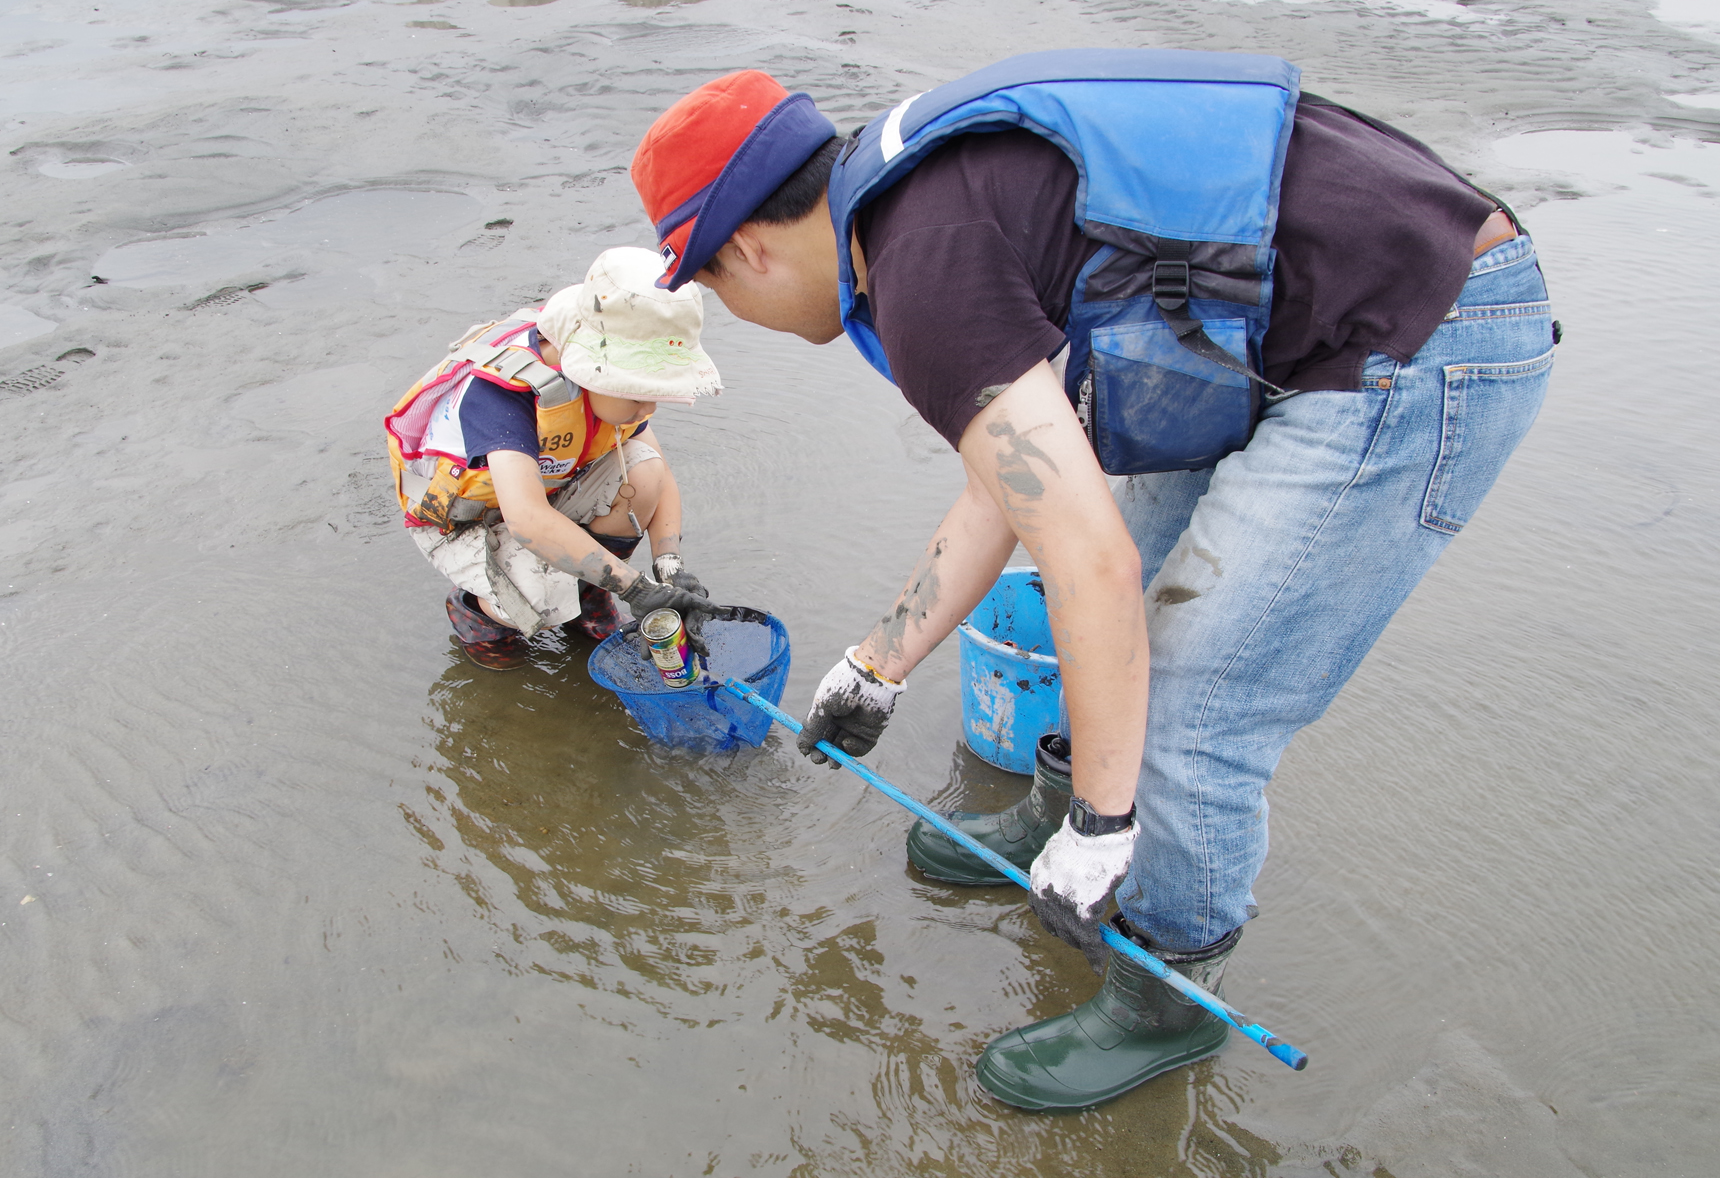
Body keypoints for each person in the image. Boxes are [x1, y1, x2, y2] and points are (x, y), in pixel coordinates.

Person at [629, 55, 1554, 1108]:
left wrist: (1111, 827)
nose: (730, 305)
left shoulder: (922, 267)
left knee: (1195, 696)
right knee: (1125, 617)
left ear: (744, 248)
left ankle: (1170, 998)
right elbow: (1010, 487)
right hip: (1274, 323)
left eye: (707, 284)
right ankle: (1059, 811)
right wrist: (876, 665)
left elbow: (1091, 563)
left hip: (1420, 330)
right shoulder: (905, 209)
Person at [387, 246, 723, 671]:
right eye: (640, 394)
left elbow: (660, 471)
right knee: (539, 597)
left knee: (643, 471)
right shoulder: (500, 395)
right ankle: (479, 613)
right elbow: (527, 521)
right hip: (466, 519)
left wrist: (668, 567)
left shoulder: (611, 389)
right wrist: (635, 589)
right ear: (593, 369)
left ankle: (588, 594)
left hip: (546, 487)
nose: (649, 408)